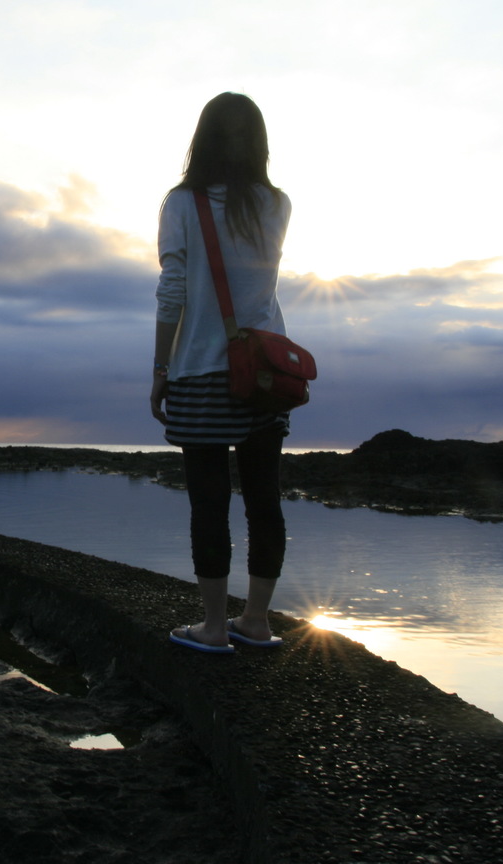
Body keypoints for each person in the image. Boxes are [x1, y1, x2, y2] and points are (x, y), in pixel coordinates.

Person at [151, 92, 293, 653]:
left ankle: (214, 627)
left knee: (209, 503)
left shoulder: (183, 202)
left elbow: (173, 291)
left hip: (202, 370)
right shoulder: (277, 204)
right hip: (264, 370)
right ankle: (256, 620)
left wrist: (161, 366)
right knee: (265, 499)